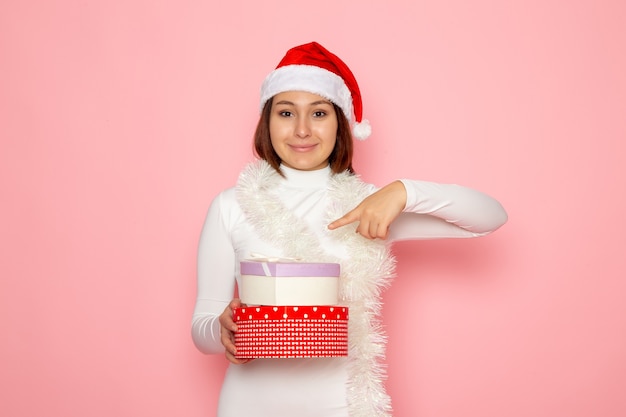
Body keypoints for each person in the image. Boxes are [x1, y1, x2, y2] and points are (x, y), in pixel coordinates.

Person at [191, 41, 507, 417]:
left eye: (319, 112)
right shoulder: (230, 205)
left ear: (340, 122)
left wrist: (404, 192)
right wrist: (221, 330)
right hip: (249, 405)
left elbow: (490, 217)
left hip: (342, 404)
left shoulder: (370, 206)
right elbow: (202, 326)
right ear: (267, 121)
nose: (303, 130)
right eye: (287, 112)